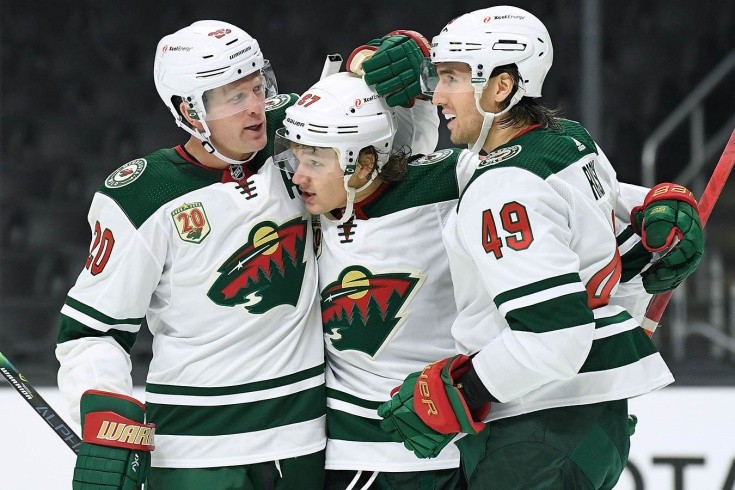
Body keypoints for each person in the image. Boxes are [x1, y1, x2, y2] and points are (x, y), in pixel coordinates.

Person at [354, 6, 704, 489]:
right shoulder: (567, 141)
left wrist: (462, 390)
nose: (437, 95)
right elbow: (603, 226)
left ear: (501, 86)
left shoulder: (503, 188)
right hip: (593, 419)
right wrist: (657, 211)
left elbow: (554, 338)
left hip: (537, 430)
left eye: (452, 78)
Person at [56, 20, 328, 489]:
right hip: (194, 451)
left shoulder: (301, 140)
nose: (255, 107)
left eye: (257, 87)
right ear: (190, 111)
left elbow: (386, 157)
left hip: (303, 439)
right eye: (233, 97)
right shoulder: (142, 196)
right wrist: (102, 405)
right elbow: (91, 332)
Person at [273, 70, 476, 489]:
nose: (297, 177)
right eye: (296, 158)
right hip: (358, 449)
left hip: (458, 440)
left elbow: (538, 166)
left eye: (315, 162)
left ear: (364, 164)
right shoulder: (296, 205)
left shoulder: (442, 183)